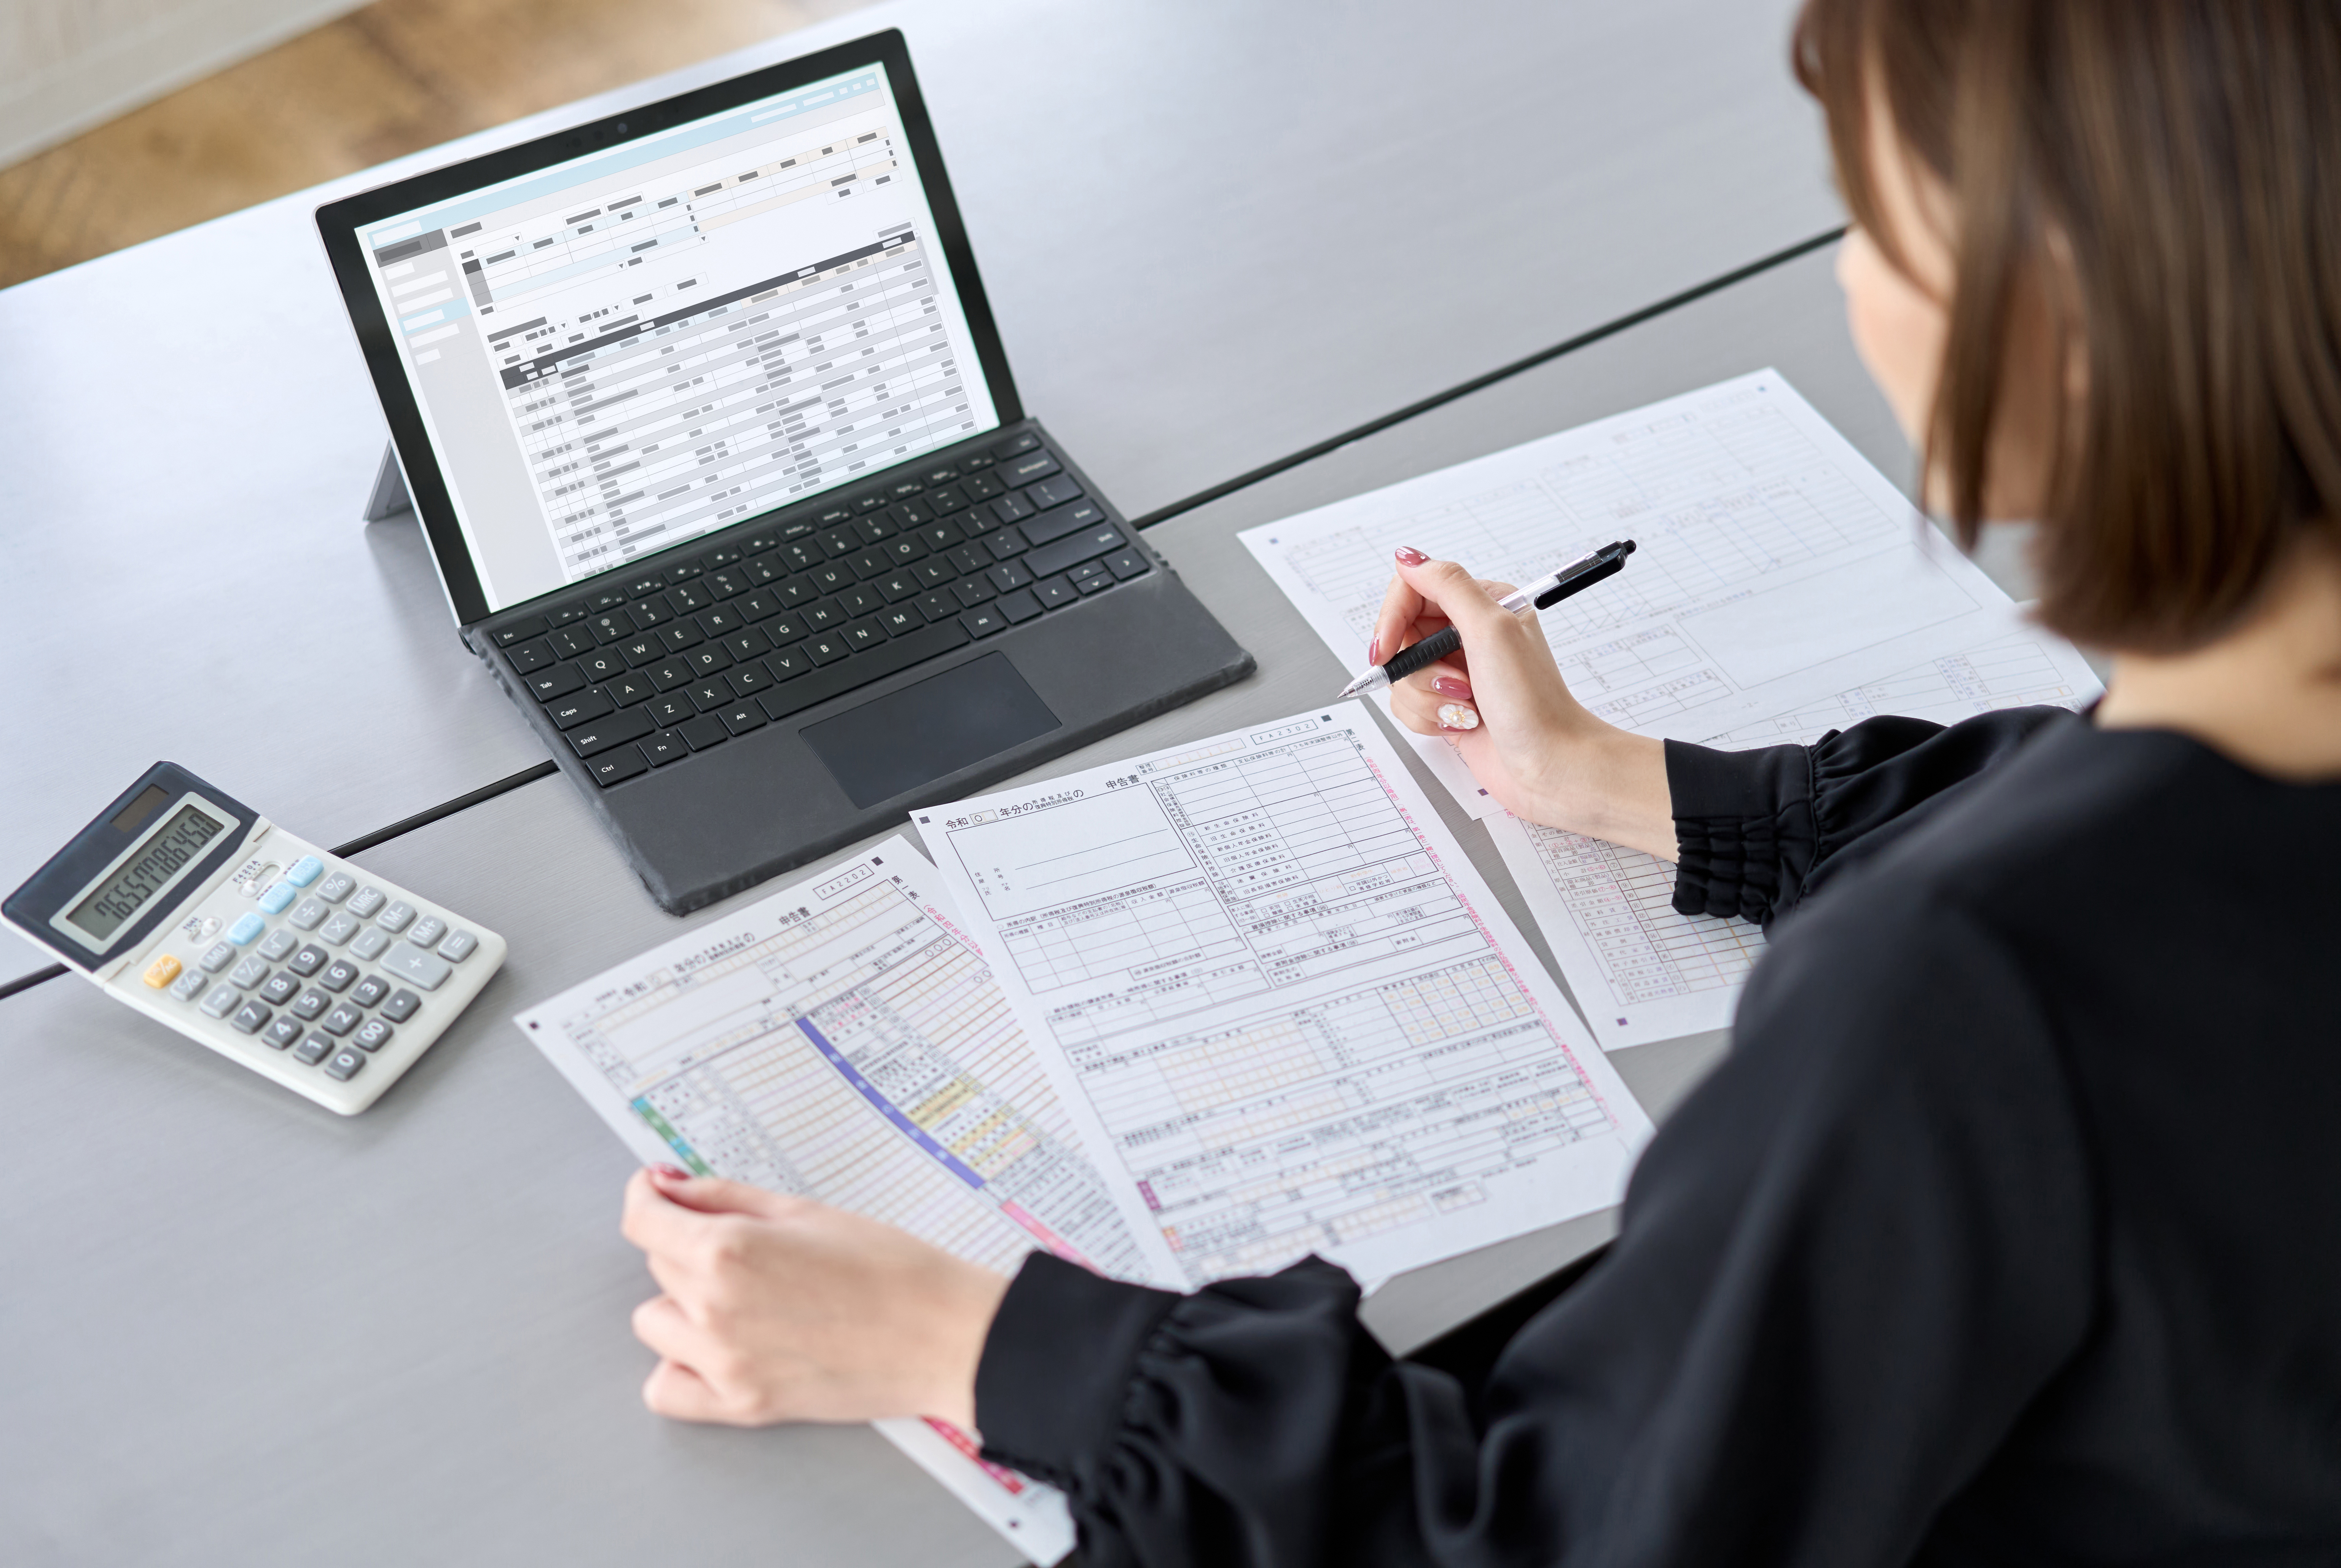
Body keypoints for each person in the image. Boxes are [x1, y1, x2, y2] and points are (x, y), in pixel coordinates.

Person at [616, 1, 2341, 1561]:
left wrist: (970, 1343)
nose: (1845, 274)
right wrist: (1627, 783)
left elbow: (1530, 1537)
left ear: (2058, 335)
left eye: (1880, 220)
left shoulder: (1967, 998)